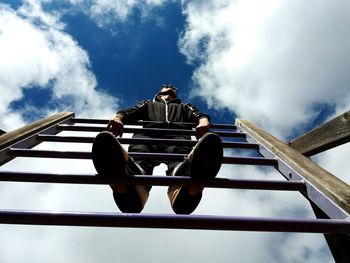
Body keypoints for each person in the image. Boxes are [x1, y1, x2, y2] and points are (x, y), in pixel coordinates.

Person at [92, 84, 223, 214]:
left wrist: (203, 121)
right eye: (166, 86)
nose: (169, 86)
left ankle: (181, 182)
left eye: (172, 87)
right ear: (159, 94)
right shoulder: (148, 104)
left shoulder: (183, 106)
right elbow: (133, 111)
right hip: (149, 133)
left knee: (179, 152)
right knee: (141, 151)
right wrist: (119, 117)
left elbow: (197, 114)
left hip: (177, 134)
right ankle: (135, 182)